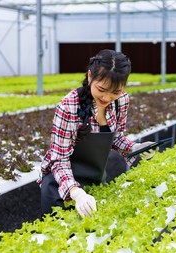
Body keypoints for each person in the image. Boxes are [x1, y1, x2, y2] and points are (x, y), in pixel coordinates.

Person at [38, 49, 156, 218]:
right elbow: (59, 159)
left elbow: (116, 138)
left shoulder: (121, 100)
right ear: (89, 76)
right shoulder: (68, 107)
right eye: (102, 89)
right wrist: (76, 193)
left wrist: (136, 147)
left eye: (115, 91)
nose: (107, 97)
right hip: (62, 188)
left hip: (95, 184)